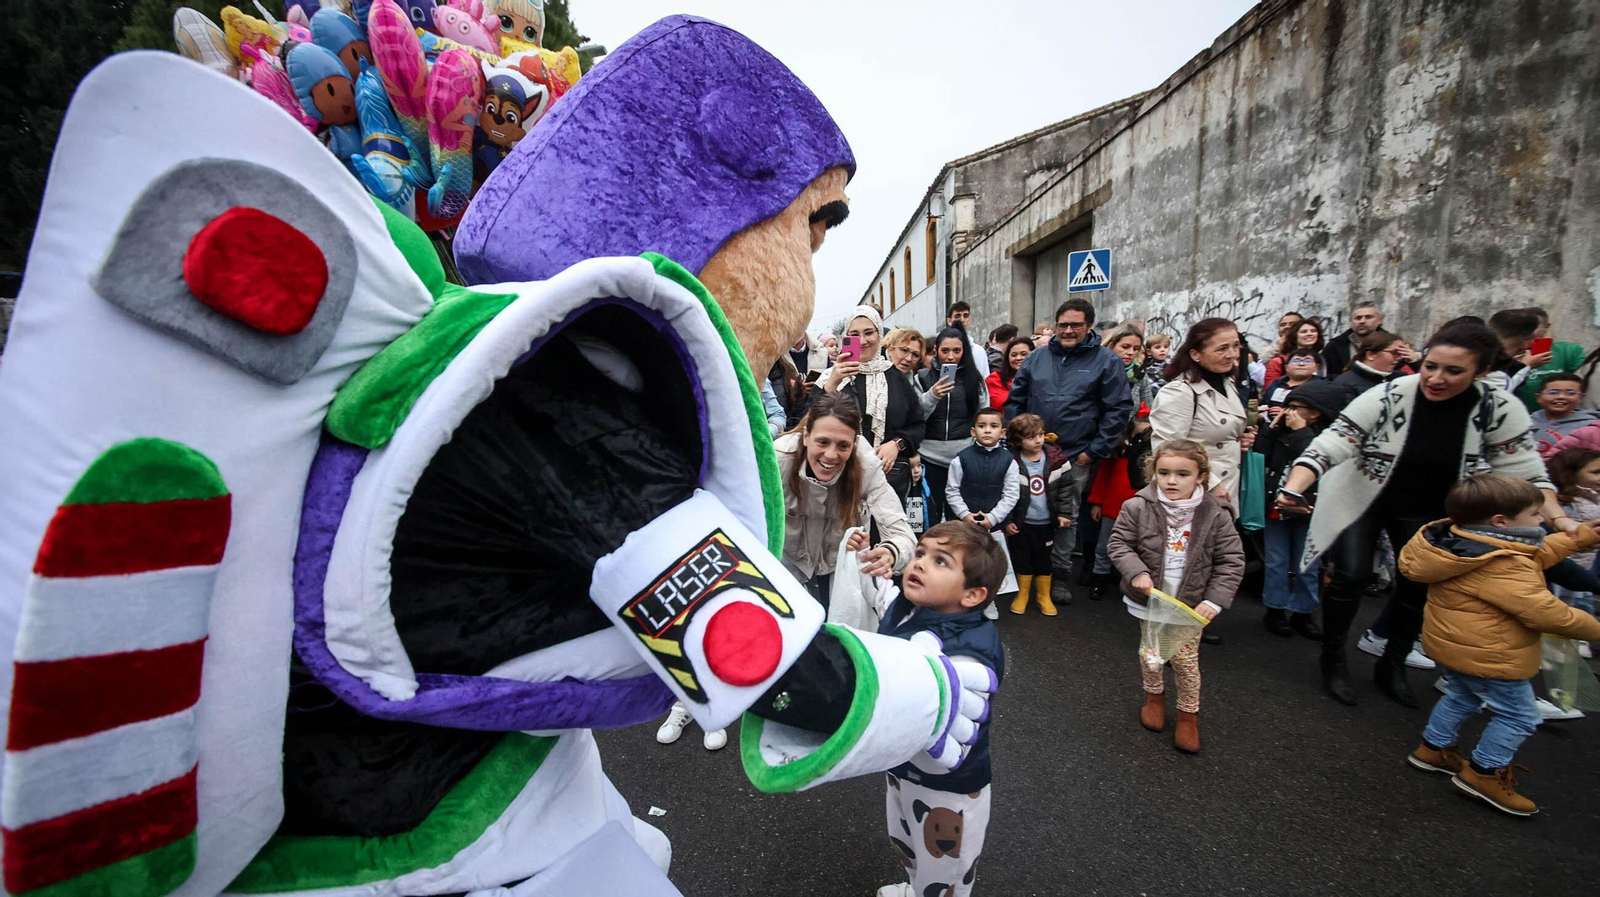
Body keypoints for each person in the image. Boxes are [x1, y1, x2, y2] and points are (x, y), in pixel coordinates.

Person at [1276, 321, 1568, 708]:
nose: (1436, 378)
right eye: (1430, 366)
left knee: (1417, 586)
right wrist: (1294, 486)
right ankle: (1334, 659)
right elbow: (1331, 444)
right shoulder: (1390, 394)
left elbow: (1528, 473)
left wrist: (1562, 521)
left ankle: (1392, 664)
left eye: (1453, 371)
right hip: (1362, 498)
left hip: (1432, 510)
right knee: (1350, 574)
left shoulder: (1497, 408)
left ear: (1481, 372)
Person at [1399, 474, 1600, 817]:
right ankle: (1484, 773)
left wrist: (1578, 539)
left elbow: (1532, 554)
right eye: (1536, 514)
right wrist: (1594, 627)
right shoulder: (1503, 563)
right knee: (1520, 716)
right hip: (1493, 653)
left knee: (1461, 695)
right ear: (1501, 521)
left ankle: (1434, 749)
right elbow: (1547, 613)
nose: (1543, 520)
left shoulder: (1468, 541)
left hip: (1461, 646)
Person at [877, 521, 1006, 897]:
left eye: (940, 562)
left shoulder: (972, 650)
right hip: (903, 764)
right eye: (919, 554)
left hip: (949, 786)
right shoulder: (919, 611)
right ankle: (917, 888)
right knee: (906, 839)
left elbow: (952, 720)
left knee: (947, 867)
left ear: (972, 595)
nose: (919, 564)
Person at [1108, 439, 1245, 754]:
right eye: (1164, 472)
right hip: (1150, 599)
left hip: (1190, 606)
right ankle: (1154, 698)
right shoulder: (1137, 506)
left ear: (1200, 476)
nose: (1171, 481)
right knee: (1151, 654)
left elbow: (1231, 560)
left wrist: (1213, 600)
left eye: (1182, 474)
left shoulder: (1216, 513)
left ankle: (1188, 715)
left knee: (1184, 662)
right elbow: (1120, 544)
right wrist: (1136, 572)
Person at [1004, 298, 1134, 601]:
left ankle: (1057, 575)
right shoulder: (1036, 359)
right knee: (1024, 512)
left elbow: (1118, 410)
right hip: (1031, 455)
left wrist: (1093, 452)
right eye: (1063, 324)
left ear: (1088, 326)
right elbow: (1015, 402)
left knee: (1065, 517)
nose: (1068, 330)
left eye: (1075, 325)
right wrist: (1015, 441)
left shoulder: (1106, 361)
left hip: (1076, 454)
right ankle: (1022, 573)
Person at [1254, 380, 1347, 637]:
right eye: (1288, 406)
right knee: (1276, 561)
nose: (1289, 412)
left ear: (1316, 412)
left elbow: (1314, 458)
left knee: (1308, 563)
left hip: (1312, 510)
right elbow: (1261, 455)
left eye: (1296, 407)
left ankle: (1304, 613)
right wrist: (1269, 431)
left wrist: (1300, 432)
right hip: (1277, 508)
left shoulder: (1329, 438)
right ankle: (1275, 609)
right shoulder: (1279, 431)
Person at [822, 306, 927, 499]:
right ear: (845, 337)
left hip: (887, 478)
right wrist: (832, 383)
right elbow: (808, 420)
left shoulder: (896, 377)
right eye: (854, 334)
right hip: (838, 476)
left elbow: (918, 426)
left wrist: (897, 444)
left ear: (880, 335)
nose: (862, 341)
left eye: (869, 332)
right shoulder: (831, 376)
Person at [1149, 318, 1255, 505]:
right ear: (1196, 354)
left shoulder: (1228, 383)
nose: (1231, 355)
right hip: (1193, 494)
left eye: (1235, 346)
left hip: (1230, 488)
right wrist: (1211, 484)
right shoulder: (1180, 391)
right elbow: (1166, 449)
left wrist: (1238, 438)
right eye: (1222, 349)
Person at [918, 325, 989, 526]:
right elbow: (916, 417)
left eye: (956, 351)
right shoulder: (922, 377)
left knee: (959, 516)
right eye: (945, 350)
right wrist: (932, 395)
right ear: (936, 351)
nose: (950, 357)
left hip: (963, 456)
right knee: (930, 515)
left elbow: (982, 417)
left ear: (963, 352)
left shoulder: (975, 380)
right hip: (928, 457)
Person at [1004, 413, 1074, 615]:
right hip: (1022, 523)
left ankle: (1043, 595)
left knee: (1044, 559)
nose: (1038, 440)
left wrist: (1064, 513)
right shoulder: (1011, 462)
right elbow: (1006, 494)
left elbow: (1066, 490)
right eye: (1031, 437)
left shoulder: (1056, 459)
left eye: (1041, 435)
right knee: (1022, 557)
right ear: (1018, 440)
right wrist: (1008, 520)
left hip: (1046, 523)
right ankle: (1023, 594)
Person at [1085, 408, 1155, 601]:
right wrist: (1097, 502)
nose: (1142, 437)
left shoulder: (1154, 458)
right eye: (1139, 433)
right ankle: (1098, 579)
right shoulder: (1118, 453)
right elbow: (1102, 477)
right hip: (1113, 507)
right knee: (1105, 545)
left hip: (1143, 511)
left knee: (1138, 547)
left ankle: (1131, 580)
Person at [1512, 306, 1587, 412]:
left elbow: (1583, 382)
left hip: (1563, 416)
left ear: (1547, 327)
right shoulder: (1508, 353)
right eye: (1521, 327)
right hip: (1518, 415)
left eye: (1532, 327)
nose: (1526, 332)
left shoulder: (1569, 351)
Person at [1528, 373, 1599, 456]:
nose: (1561, 397)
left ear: (1581, 398)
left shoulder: (1590, 427)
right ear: (1538, 397)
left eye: (1571, 393)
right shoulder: (1525, 422)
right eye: (1553, 392)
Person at [1330, 329, 1406, 402]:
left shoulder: (1401, 379)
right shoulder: (1344, 384)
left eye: (1401, 353)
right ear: (1370, 355)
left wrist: (1415, 361)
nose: (1399, 358)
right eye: (1394, 353)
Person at [1104, 323, 1156, 413]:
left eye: (1136, 349)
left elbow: (1148, 409)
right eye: (1125, 347)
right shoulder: (1096, 370)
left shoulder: (1139, 374)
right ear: (1111, 345)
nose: (1131, 352)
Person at [1261, 349, 1323, 423]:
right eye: (1296, 361)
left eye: (1307, 361)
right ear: (1286, 367)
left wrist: (1286, 412)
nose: (1301, 364)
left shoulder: (1320, 387)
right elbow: (1264, 403)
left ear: (1316, 367)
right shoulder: (1277, 383)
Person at [1323, 302, 1384, 375]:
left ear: (1380, 320)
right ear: (1350, 321)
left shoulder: (1391, 345)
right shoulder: (1335, 346)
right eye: (1358, 318)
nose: (1362, 321)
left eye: (1368, 317)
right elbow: (1326, 374)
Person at [1263, 318, 1327, 384]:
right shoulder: (1278, 362)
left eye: (1313, 331)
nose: (1309, 334)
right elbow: (1270, 389)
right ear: (1294, 335)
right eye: (1304, 331)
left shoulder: (1323, 359)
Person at [985, 336, 1033, 409]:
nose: (1018, 358)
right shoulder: (994, 379)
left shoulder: (1041, 378)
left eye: (1024, 354)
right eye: (1014, 355)